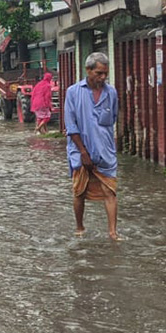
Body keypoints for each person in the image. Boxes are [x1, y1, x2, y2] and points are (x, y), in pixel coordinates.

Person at [64, 52, 120, 240]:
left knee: (110, 191)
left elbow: (111, 120)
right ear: (88, 70)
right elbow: (71, 126)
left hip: (105, 151)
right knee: (79, 191)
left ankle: (112, 232)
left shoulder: (111, 92)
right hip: (80, 151)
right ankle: (79, 227)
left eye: (105, 73)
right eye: (99, 73)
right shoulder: (73, 92)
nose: (103, 77)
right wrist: (83, 152)